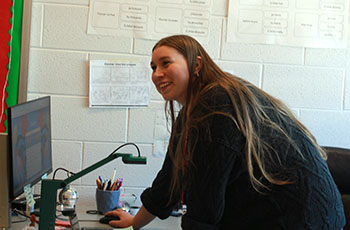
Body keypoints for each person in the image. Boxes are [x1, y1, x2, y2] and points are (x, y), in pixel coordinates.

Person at [105, 35, 346, 229]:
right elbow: (169, 181)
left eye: (166, 63)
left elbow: (206, 200)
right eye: (153, 67)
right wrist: (134, 223)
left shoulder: (217, 103)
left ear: (196, 64)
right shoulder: (192, 112)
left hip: (300, 219)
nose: (156, 74)